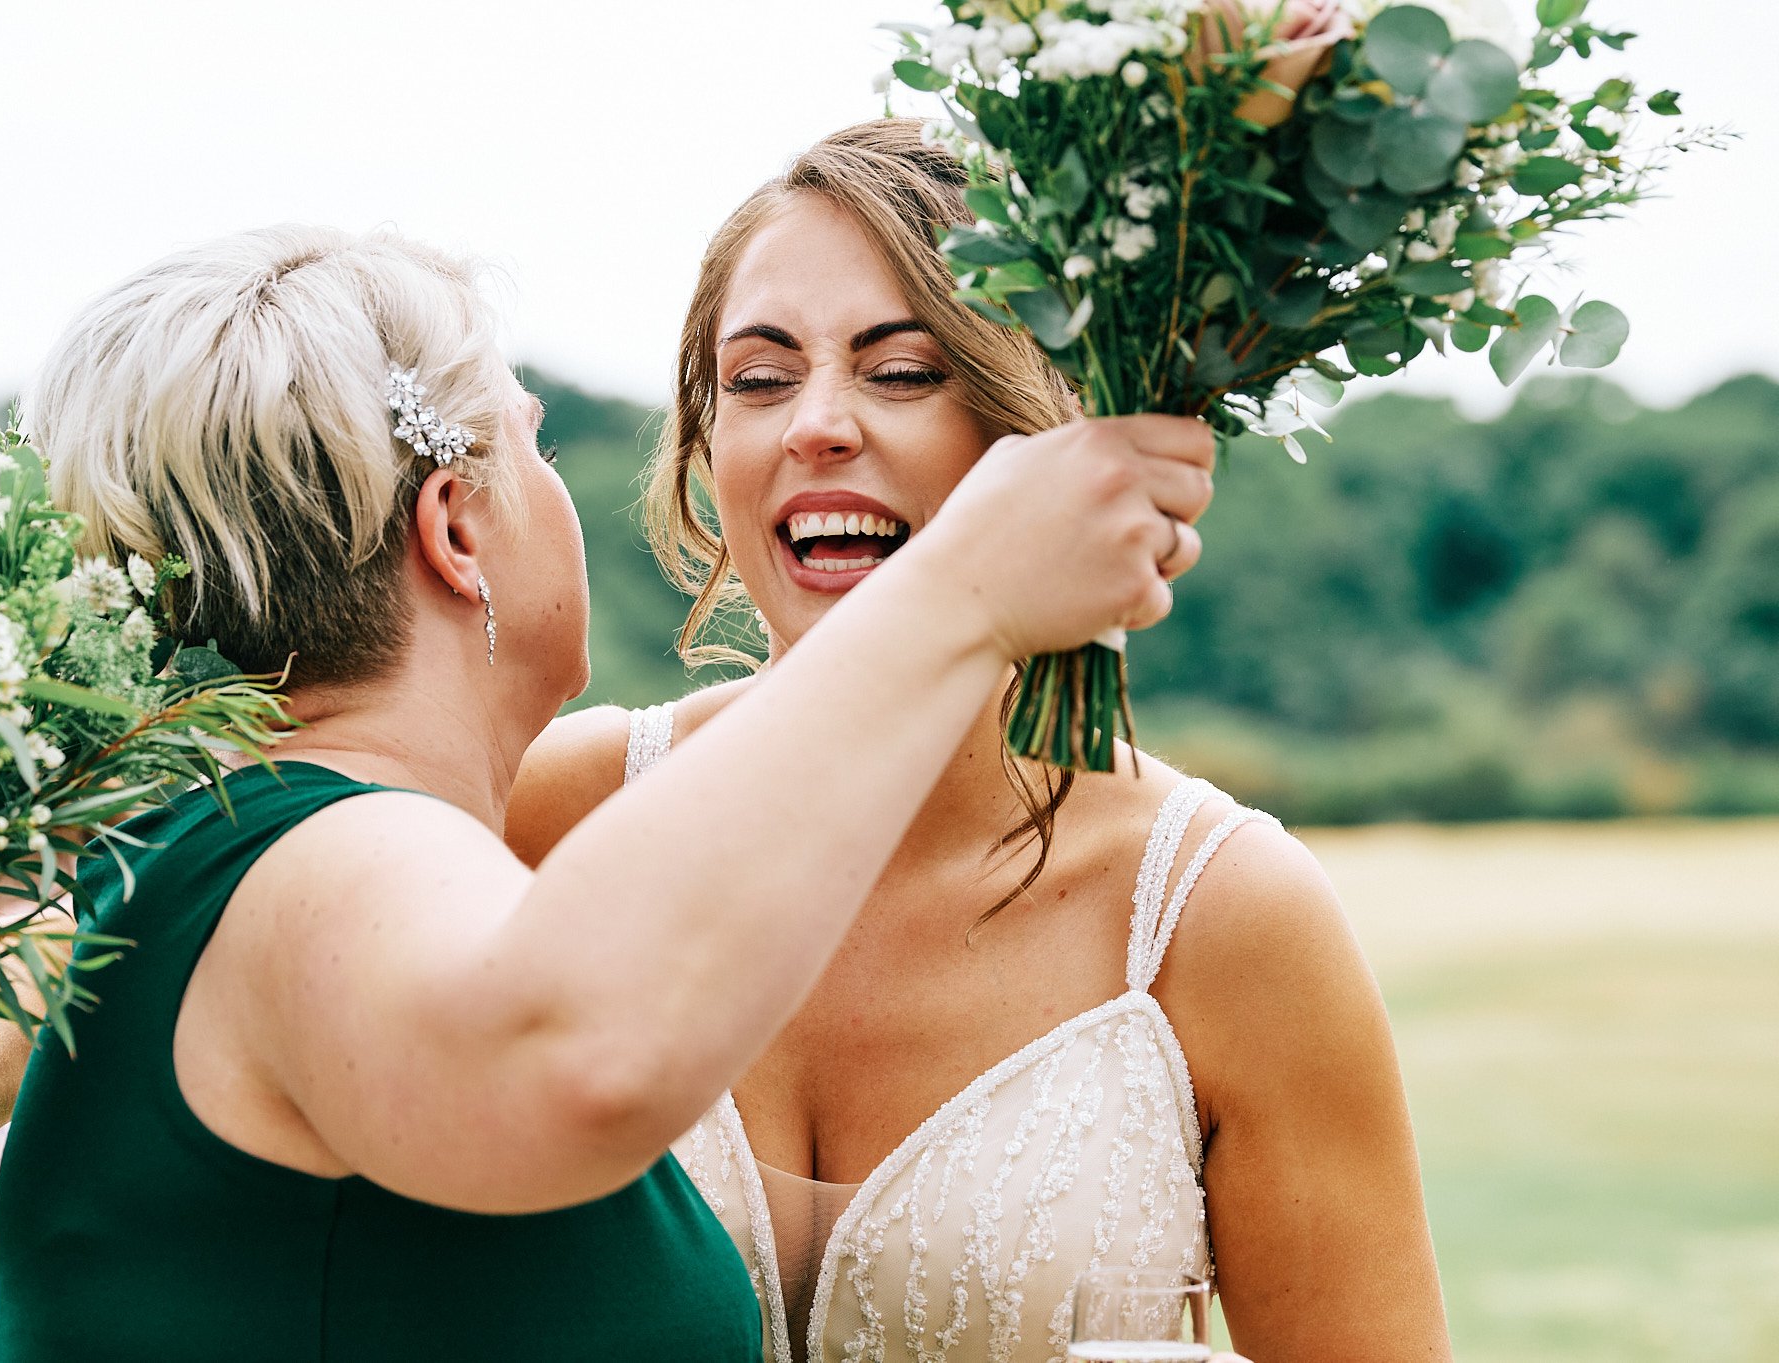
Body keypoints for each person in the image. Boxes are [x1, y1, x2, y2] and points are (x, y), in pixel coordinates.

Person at [0, 222, 1212, 1361]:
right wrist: (969, 591)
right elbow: (569, 1055)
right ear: (454, 529)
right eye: (533, 449)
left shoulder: (190, 845)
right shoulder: (340, 857)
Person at [503, 121, 1451, 1363]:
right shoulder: (551, 814)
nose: (816, 426)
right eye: (759, 377)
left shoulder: (1220, 917)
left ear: (1054, 429)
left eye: (902, 371)